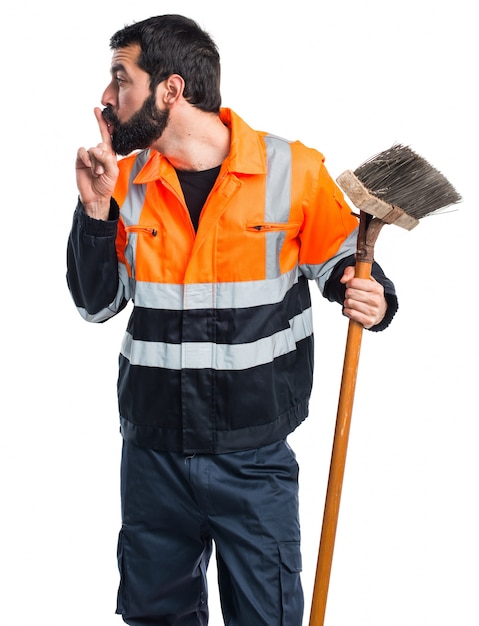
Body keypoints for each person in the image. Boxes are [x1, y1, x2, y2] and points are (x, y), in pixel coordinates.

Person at [67, 14, 398, 626]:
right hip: (153, 457)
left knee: (265, 615)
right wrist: (93, 211)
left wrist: (375, 299)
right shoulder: (125, 181)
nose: (108, 99)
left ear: (171, 90)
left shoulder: (290, 171)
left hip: (254, 460)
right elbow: (95, 306)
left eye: (121, 78)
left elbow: (347, 267)